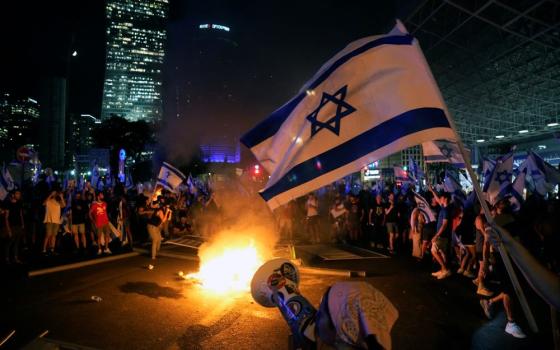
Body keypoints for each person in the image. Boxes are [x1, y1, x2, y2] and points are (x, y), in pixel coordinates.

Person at [431, 191, 452, 279]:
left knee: (434, 251)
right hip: (442, 235)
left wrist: (436, 235)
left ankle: (444, 269)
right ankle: (443, 270)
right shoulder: (444, 208)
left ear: (445, 199)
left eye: (441, 198)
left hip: (442, 235)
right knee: (441, 252)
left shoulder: (446, 210)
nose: (439, 199)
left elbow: (444, 225)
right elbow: (438, 200)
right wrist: (432, 191)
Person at [4, 190, 25, 263]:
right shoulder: (8, 204)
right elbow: (6, 217)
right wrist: (8, 229)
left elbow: (20, 214)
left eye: (19, 193)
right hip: (12, 226)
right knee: (10, 242)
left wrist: (22, 224)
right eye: (17, 194)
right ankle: (7, 258)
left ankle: (15, 258)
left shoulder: (19, 203)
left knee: (17, 242)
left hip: (18, 225)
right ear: (13, 195)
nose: (19, 195)